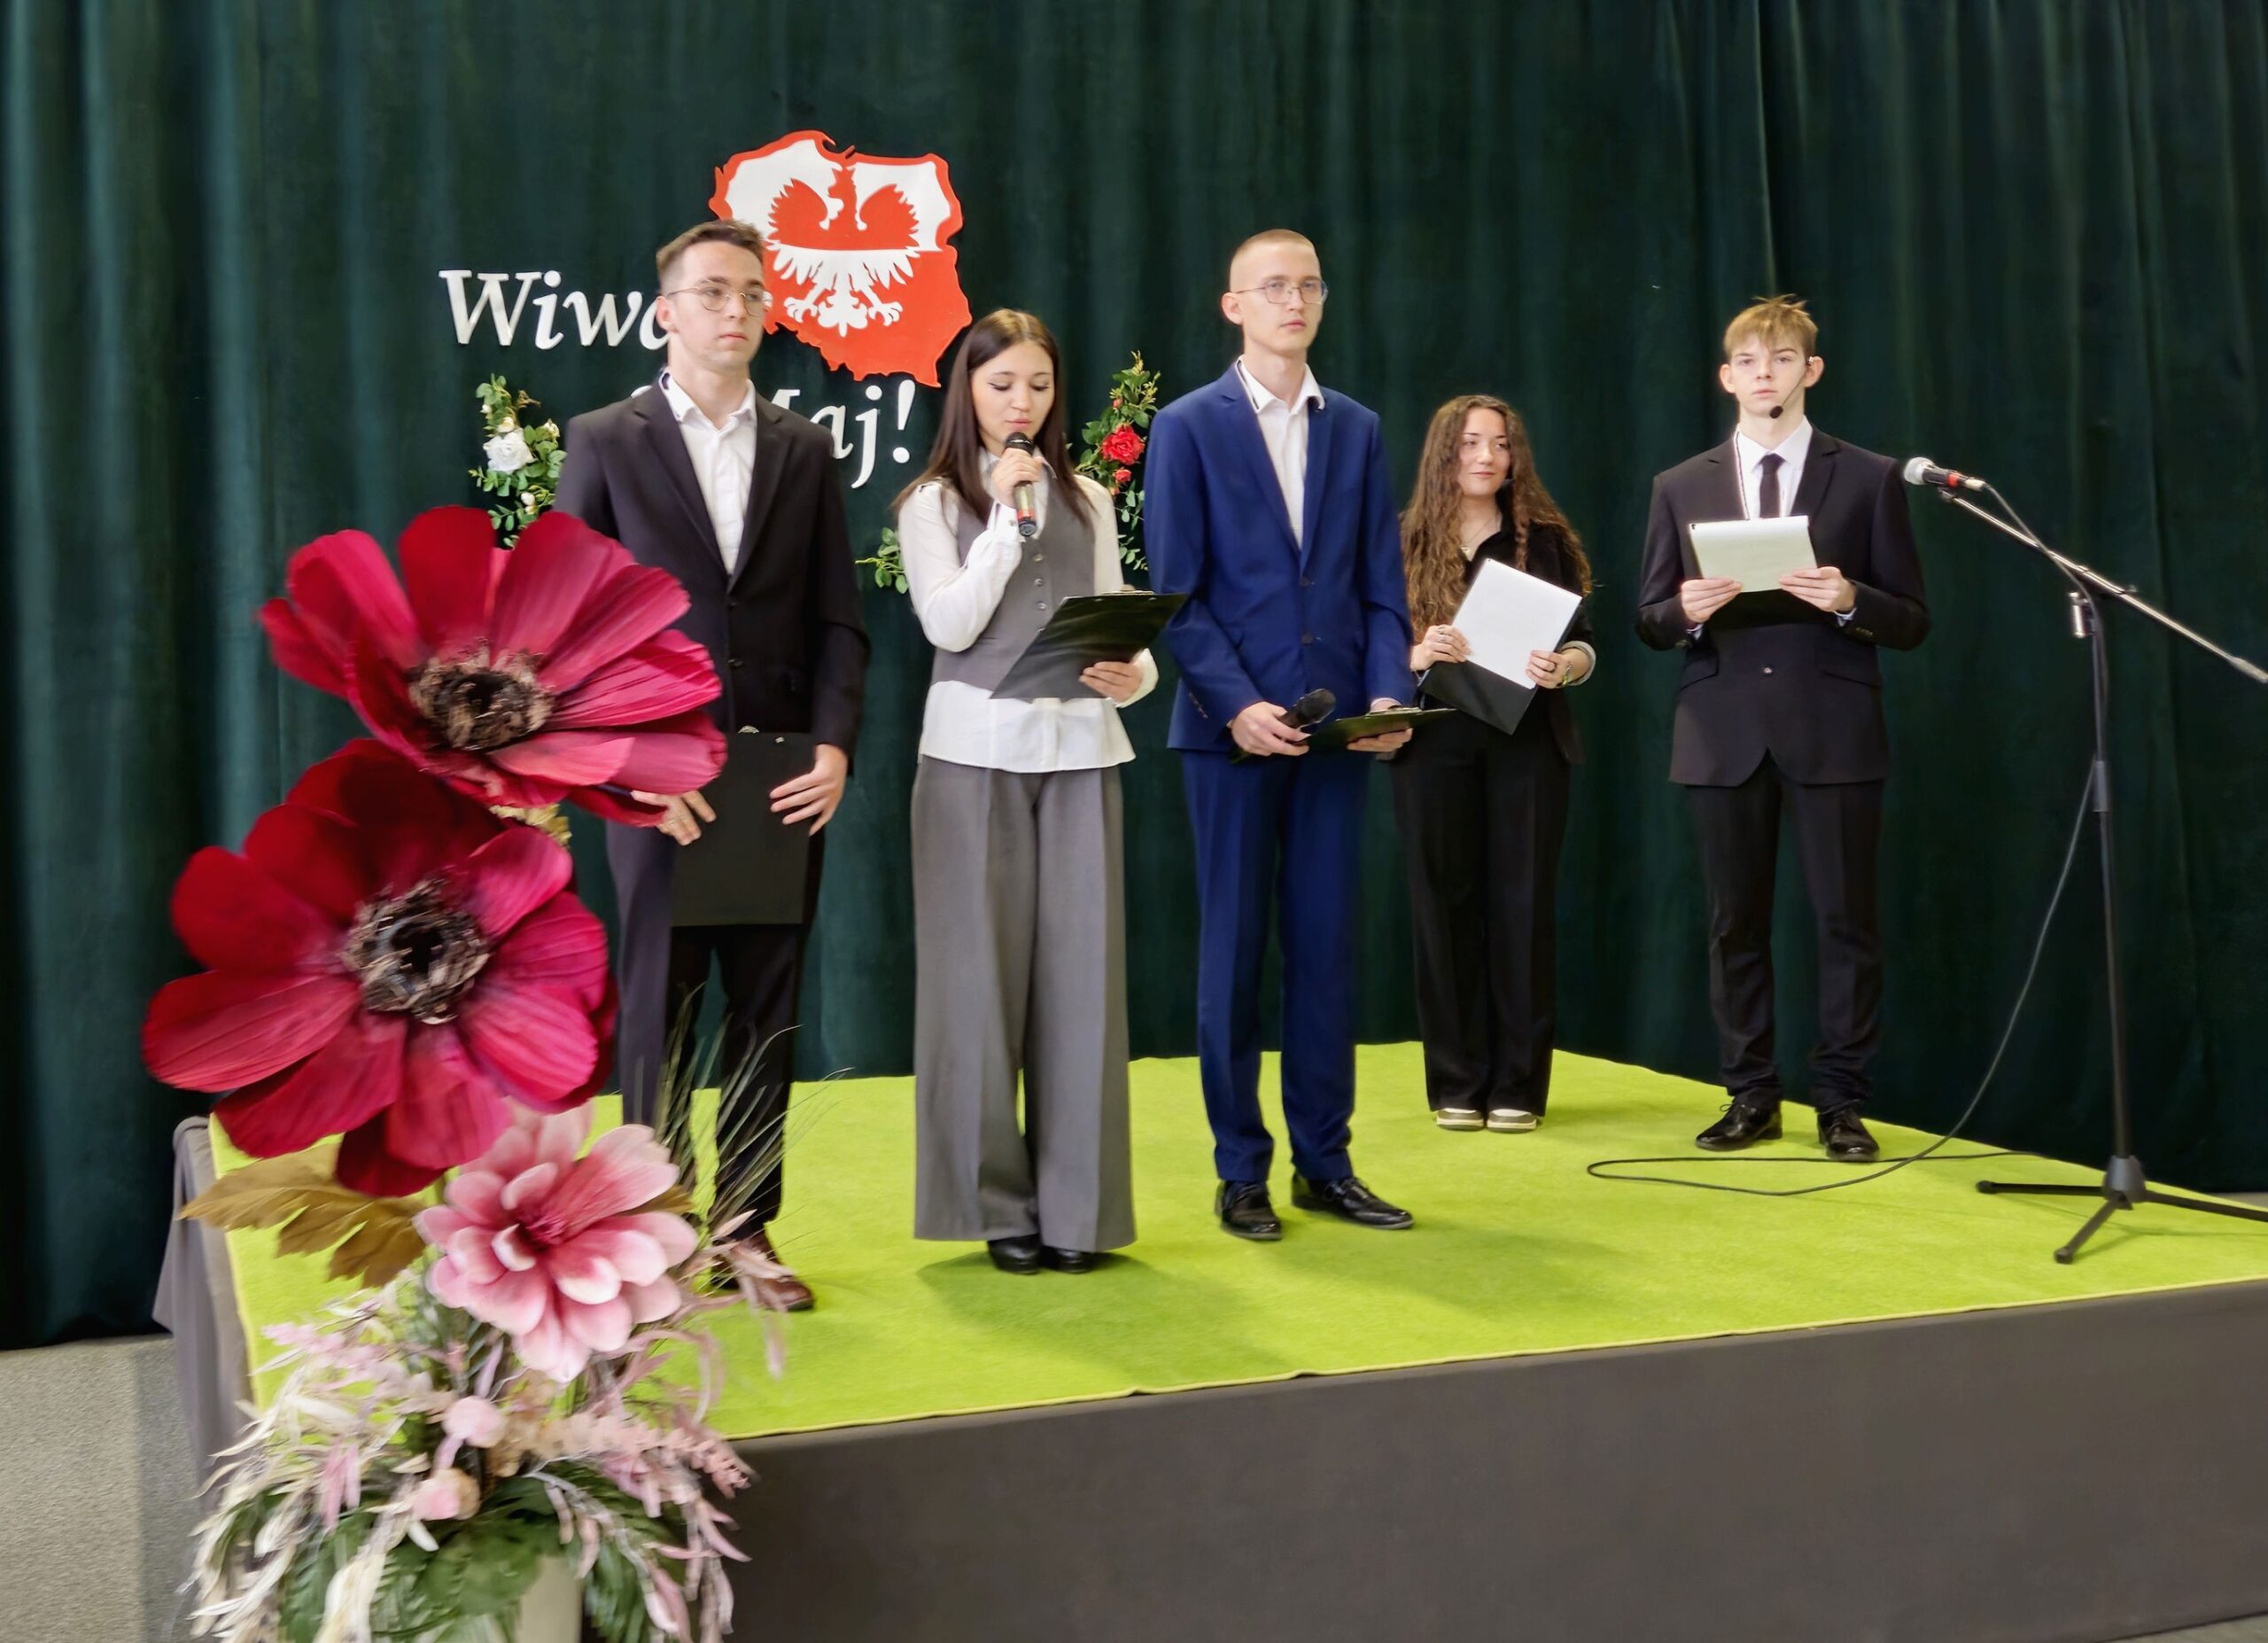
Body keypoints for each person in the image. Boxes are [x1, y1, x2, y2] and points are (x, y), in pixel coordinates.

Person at [555, 218, 869, 1309]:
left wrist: (835, 745)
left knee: (767, 1006)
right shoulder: (606, 440)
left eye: (751, 293)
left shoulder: (805, 448)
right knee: (659, 1010)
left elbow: (839, 620)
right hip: (658, 777)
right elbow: (569, 621)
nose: (735, 310)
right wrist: (628, 763)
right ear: (666, 312)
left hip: (780, 774)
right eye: (712, 292)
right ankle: (652, 1228)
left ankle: (743, 1226)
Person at [1146, 229, 1418, 1242]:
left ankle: (1325, 1164)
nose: (1293, 300)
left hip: (1338, 735)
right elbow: (1175, 593)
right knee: (1231, 957)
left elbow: (1381, 589)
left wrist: (1388, 696)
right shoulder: (1187, 427)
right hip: (1229, 738)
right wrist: (1235, 705)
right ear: (1234, 307)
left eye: (1307, 284)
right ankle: (1240, 1171)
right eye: (1272, 286)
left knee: (1325, 952)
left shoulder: (1357, 427)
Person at [1634, 295, 1929, 1161]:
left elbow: (1913, 619)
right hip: (1721, 730)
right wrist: (1683, 610)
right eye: (1749, 362)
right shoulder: (1679, 485)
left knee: (1844, 921)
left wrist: (1850, 598)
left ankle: (1840, 1101)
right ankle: (1750, 1093)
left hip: (1832, 726)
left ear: (1811, 370)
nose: (1765, 374)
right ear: (1726, 378)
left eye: (1782, 359)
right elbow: (1649, 619)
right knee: (1734, 923)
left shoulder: (1868, 476)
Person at [896, 310, 1153, 1275]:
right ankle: (992, 1208)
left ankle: (1078, 1210)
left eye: (1039, 385)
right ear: (966, 390)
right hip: (972, 758)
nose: (1022, 403)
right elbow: (949, 627)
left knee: (1084, 989)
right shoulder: (932, 502)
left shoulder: (1088, 496)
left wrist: (1136, 674)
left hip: (1081, 754)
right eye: (1002, 384)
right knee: (974, 988)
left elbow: (1118, 618)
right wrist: (1006, 520)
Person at [1392, 396, 1596, 1133]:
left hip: (1528, 744)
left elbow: (1586, 644)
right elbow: (1368, 645)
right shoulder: (1401, 539)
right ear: (1443, 452)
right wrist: (1416, 652)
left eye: (1501, 444)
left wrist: (1564, 666)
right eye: (1471, 443)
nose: (1486, 457)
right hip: (1432, 744)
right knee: (1443, 910)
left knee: (1523, 908)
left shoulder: (1546, 541)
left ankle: (1518, 1087)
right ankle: (1457, 1080)